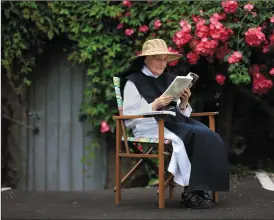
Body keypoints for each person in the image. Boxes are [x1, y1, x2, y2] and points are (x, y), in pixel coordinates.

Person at [119, 38, 229, 209]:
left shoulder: (170, 79)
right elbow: (128, 116)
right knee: (194, 134)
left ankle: (202, 190)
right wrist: (155, 105)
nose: (162, 63)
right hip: (149, 126)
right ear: (145, 59)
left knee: (210, 135)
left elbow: (182, 112)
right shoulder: (133, 81)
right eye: (157, 58)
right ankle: (192, 192)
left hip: (174, 122)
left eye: (164, 60)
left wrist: (184, 101)